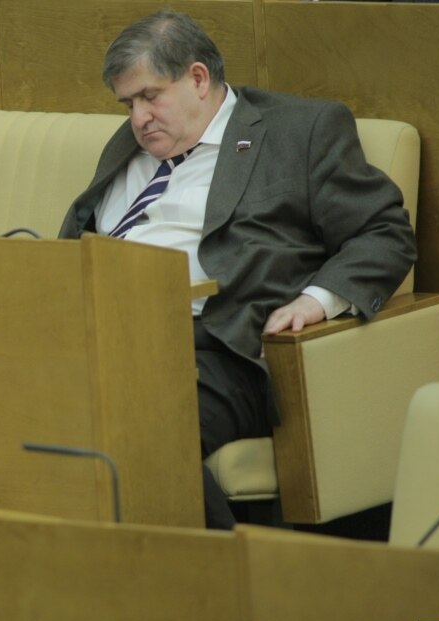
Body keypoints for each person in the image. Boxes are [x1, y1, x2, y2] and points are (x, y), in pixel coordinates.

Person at [58, 9, 417, 529]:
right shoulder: (132, 145)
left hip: (216, 349)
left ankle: (220, 575)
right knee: (16, 411)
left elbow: (384, 232)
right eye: (128, 104)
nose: (138, 118)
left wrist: (316, 300)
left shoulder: (299, 131)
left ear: (198, 78)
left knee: (131, 431)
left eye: (150, 96)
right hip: (98, 340)